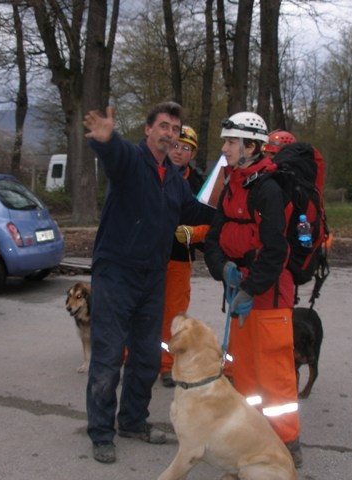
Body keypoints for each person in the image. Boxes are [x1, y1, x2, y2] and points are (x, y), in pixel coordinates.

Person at [82, 102, 215, 464]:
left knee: (145, 357)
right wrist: (106, 140)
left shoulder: (173, 177)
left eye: (175, 128)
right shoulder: (131, 161)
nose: (170, 134)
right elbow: (116, 154)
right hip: (116, 274)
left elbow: (193, 211)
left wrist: (232, 214)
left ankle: (133, 422)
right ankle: (101, 432)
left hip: (152, 276)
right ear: (148, 130)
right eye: (164, 126)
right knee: (109, 358)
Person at [204, 113, 303, 468]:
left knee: (274, 375)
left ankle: (288, 442)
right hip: (240, 293)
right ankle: (253, 435)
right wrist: (223, 270)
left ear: (251, 146)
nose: (224, 148)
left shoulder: (269, 188)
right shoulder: (233, 182)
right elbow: (213, 237)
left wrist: (249, 287)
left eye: (230, 142)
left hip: (269, 297)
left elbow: (276, 250)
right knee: (244, 374)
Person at [159, 125, 209, 388]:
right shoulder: (154, 172)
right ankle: (131, 357)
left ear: (192, 154)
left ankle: (168, 365)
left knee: (174, 314)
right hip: (150, 255)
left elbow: (212, 223)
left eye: (186, 148)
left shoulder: (199, 185)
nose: (179, 152)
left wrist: (193, 235)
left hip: (179, 257)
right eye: (176, 146)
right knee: (141, 309)